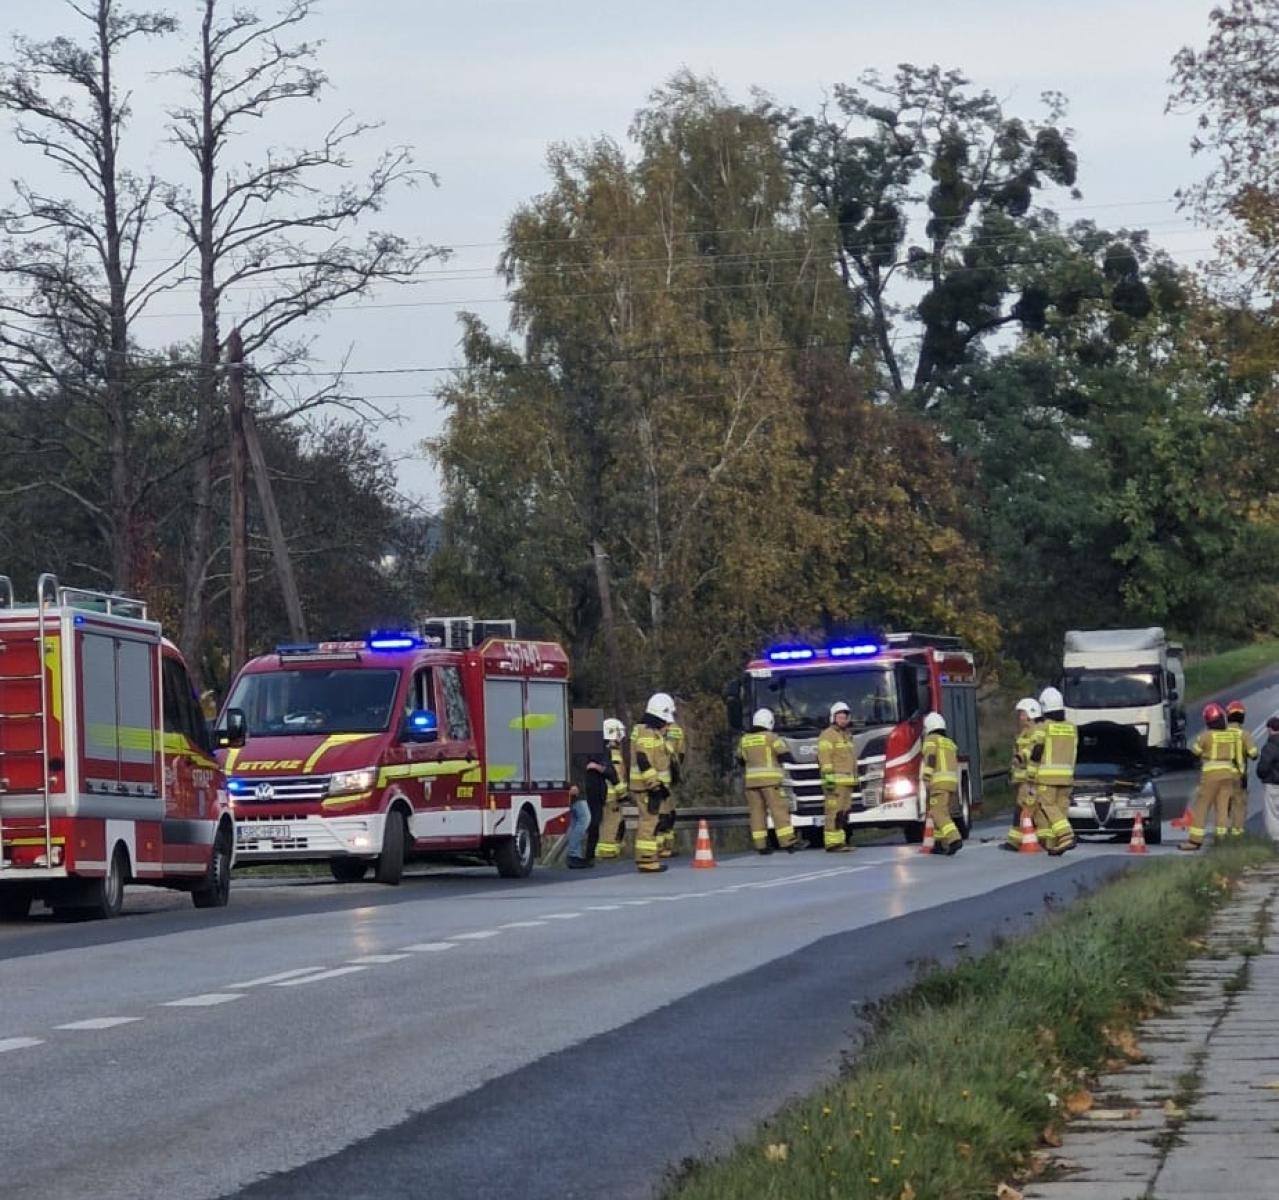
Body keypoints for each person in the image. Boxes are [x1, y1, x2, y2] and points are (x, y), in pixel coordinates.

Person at [737, 707, 802, 854]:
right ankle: (788, 842)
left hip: (751, 784)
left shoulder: (744, 740)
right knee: (779, 811)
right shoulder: (771, 737)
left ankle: (761, 845)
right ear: (770, 722)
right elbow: (785, 755)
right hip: (770, 782)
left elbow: (740, 760)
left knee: (757, 813)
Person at [1180, 702, 1238, 851]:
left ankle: (1195, 841)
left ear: (1208, 721)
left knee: (1201, 807)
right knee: (1222, 808)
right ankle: (1222, 840)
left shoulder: (1205, 736)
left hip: (1211, 775)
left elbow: (1195, 752)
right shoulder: (1230, 736)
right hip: (1228, 774)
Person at [630, 693, 676, 874]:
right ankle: (646, 859)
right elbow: (644, 760)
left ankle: (648, 857)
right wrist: (654, 785)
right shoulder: (648, 733)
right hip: (648, 787)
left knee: (651, 820)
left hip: (650, 786)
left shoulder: (648, 731)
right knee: (649, 821)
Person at [1030, 686, 1077, 856]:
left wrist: (1031, 774)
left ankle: (1066, 835)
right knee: (1060, 810)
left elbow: (1037, 751)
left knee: (1047, 806)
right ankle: (1055, 844)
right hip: (1067, 778)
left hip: (1047, 777)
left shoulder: (1043, 727)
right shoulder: (1072, 727)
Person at [920, 711, 963, 855]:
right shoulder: (949, 742)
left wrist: (927, 776)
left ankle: (954, 839)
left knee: (937, 812)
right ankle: (939, 844)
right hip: (951, 783)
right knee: (942, 812)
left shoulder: (931, 740)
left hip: (938, 783)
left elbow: (931, 758)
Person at [1002, 697, 1042, 851]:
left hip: (1030, 779)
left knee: (1024, 808)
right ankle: (1019, 840)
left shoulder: (1036, 732)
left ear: (1031, 713)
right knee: (1023, 808)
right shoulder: (1024, 733)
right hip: (1022, 779)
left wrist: (1020, 757)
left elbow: (1032, 750)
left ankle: (1015, 841)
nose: (1020, 717)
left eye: (1023, 713)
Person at [817, 701, 856, 852]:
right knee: (833, 812)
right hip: (835, 783)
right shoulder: (827, 735)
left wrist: (855, 779)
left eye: (845, 718)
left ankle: (840, 841)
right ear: (833, 718)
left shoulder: (847, 736)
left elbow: (852, 760)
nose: (843, 720)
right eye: (840, 717)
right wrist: (829, 783)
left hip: (847, 782)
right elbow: (825, 760)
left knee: (843, 814)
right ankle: (832, 843)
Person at [594, 718, 629, 860]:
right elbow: (616, 776)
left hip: (604, 794)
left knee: (606, 823)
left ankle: (604, 851)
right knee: (611, 823)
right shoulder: (614, 755)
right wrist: (623, 793)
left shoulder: (602, 751)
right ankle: (606, 852)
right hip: (611, 796)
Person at [1225, 700, 1259, 836]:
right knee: (1239, 805)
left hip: (1220, 775)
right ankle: (1237, 834)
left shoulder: (1220, 734)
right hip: (1238, 777)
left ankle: (1223, 832)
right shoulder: (1244, 735)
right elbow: (1254, 754)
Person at [658, 706, 687, 858]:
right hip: (665, 779)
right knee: (666, 814)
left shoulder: (648, 731)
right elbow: (681, 754)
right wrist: (676, 773)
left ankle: (664, 848)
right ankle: (660, 848)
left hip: (656, 780)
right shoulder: (677, 730)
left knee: (666, 814)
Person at [1258, 715, 1279, 842]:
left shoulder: (1269, 747)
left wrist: (1262, 775)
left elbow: (1263, 768)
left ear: (1270, 729)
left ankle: (1277, 842)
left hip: (1273, 784)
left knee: (1272, 815)